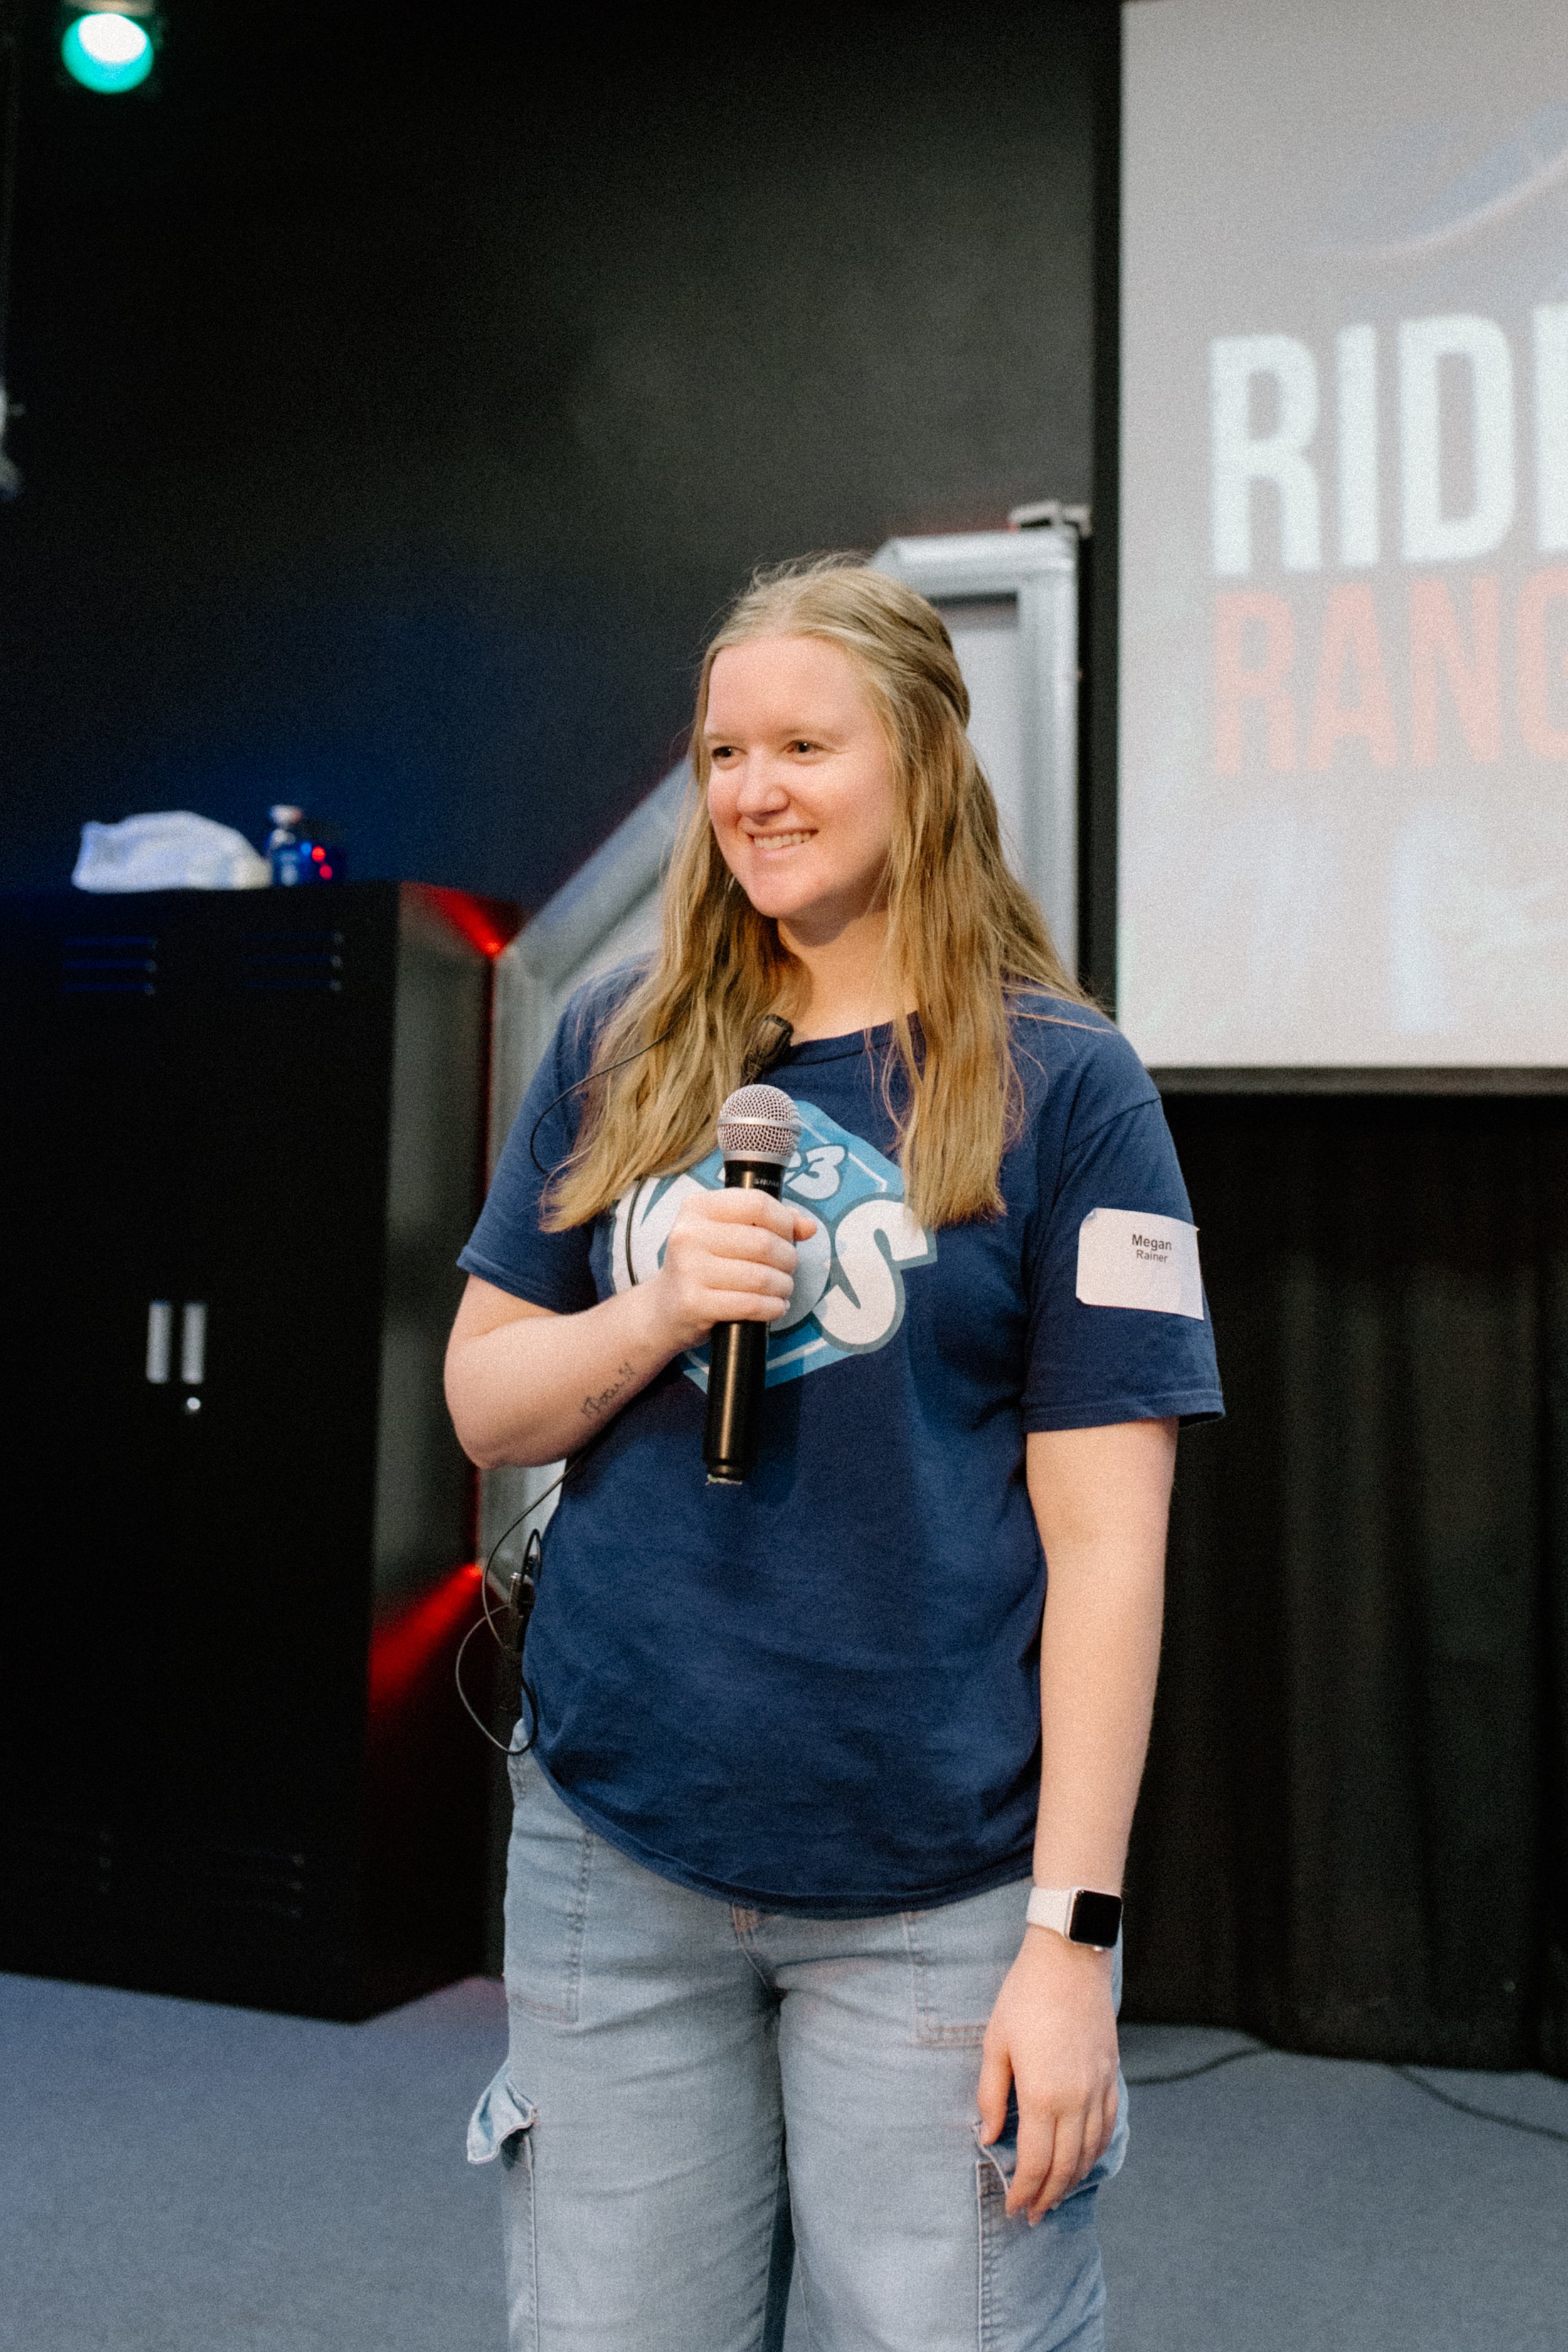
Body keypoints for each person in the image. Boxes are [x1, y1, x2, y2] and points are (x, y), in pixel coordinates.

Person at [445, 557, 1222, 2352]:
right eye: (724, 751)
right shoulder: (619, 1038)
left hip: (932, 1895)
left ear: (925, 763)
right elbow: (488, 1403)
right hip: (611, 1848)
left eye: (805, 741)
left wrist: (1072, 1939)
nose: (752, 792)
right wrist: (651, 1315)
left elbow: (1108, 1545)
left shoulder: (1065, 1083)